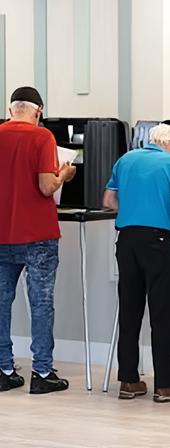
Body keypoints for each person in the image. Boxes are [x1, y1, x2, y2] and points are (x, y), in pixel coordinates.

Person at [102, 123, 170, 402]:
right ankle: (167, 385)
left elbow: (109, 200)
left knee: (130, 312)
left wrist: (135, 208)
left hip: (126, 241)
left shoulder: (126, 159)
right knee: (163, 315)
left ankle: (129, 382)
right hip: (156, 244)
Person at [0, 87, 76, 394]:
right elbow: (47, 187)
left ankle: (4, 370)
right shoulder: (43, 137)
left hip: (2, 234)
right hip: (38, 236)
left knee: (2, 302)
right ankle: (42, 373)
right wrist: (64, 174)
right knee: (41, 304)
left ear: (11, 109)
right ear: (38, 110)